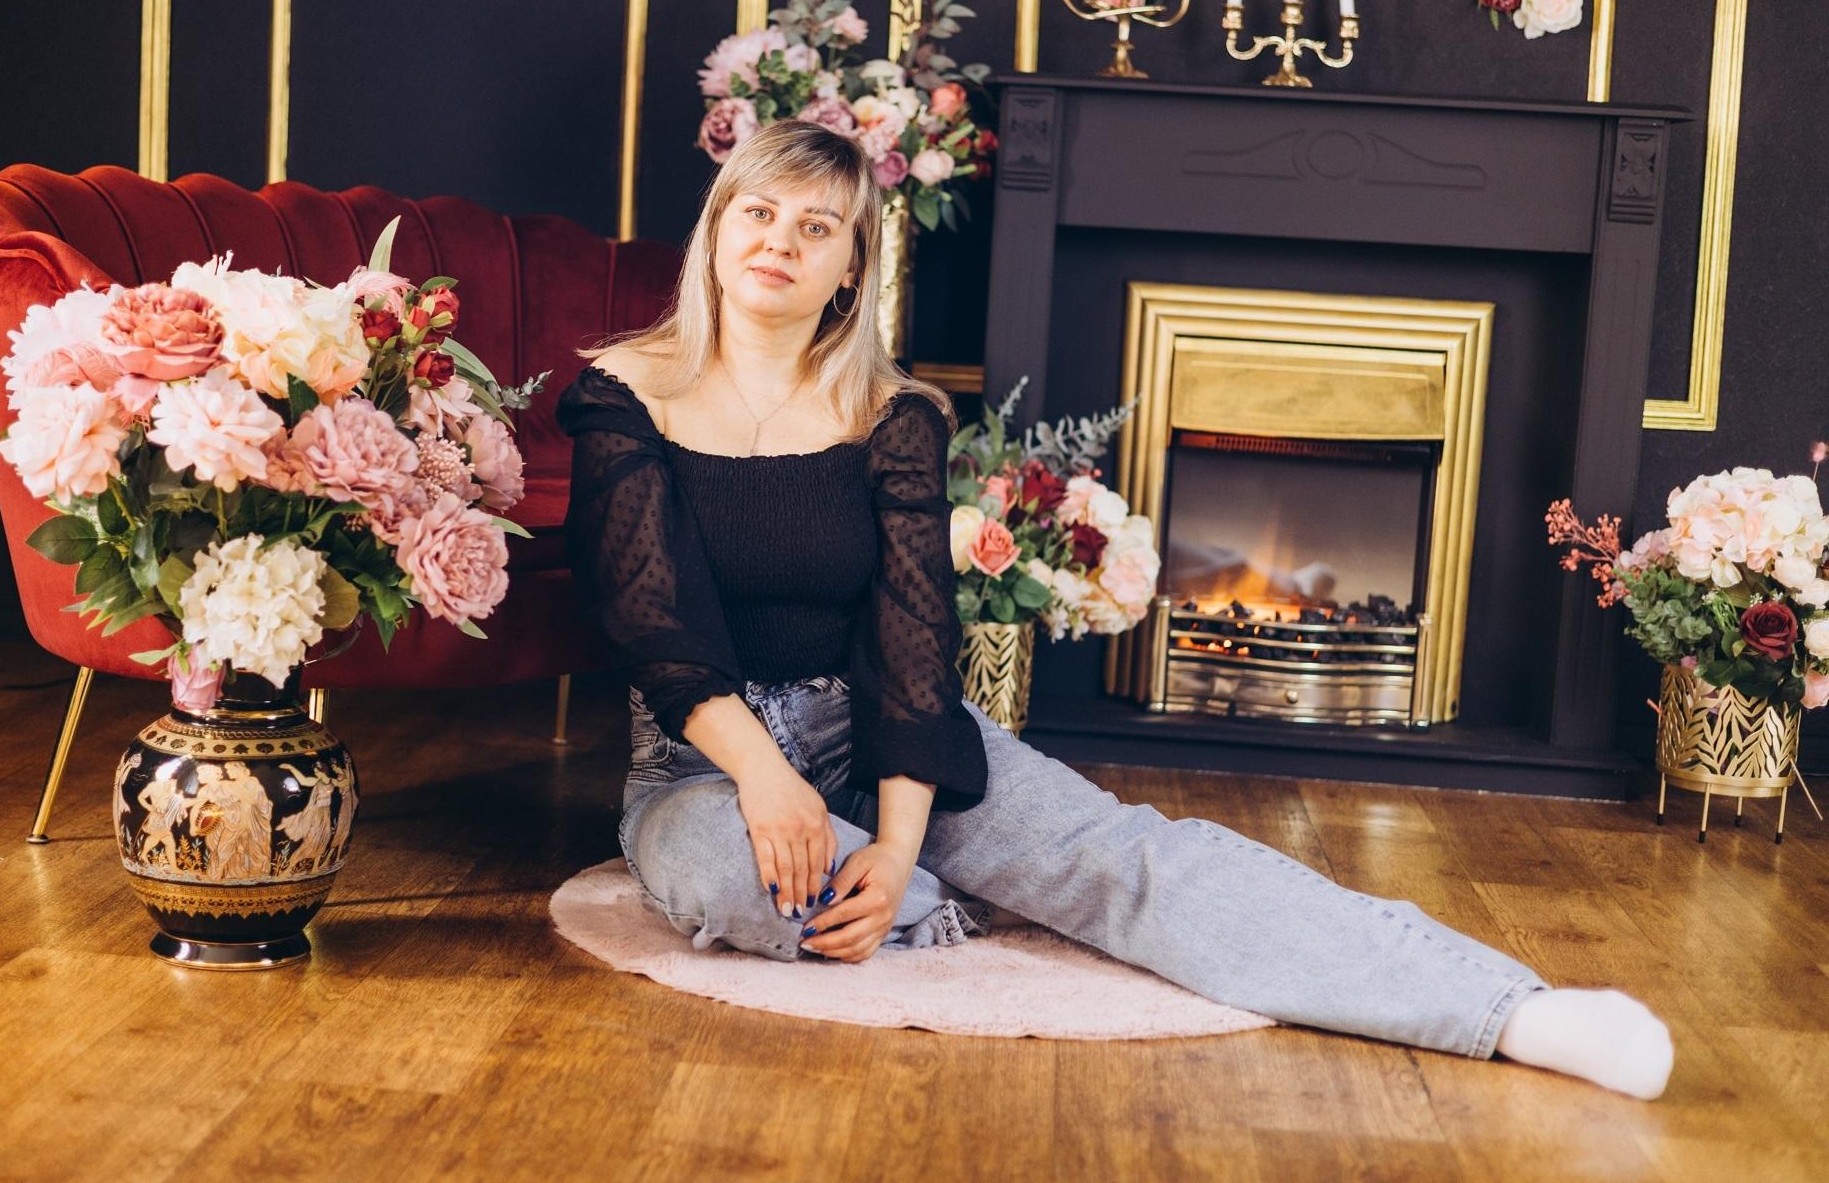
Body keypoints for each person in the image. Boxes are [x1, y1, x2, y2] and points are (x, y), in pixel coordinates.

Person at [553, 119, 1674, 1100]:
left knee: (1127, 860)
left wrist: (893, 849)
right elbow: (658, 623)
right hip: (701, 766)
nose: (779, 242)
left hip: (884, 737)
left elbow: (910, 637)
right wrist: (765, 778)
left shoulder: (893, 415)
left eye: (816, 227)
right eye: (757, 212)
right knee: (740, 880)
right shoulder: (623, 395)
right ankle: (964, 891)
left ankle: (1506, 1011)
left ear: (850, 269)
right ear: (715, 228)